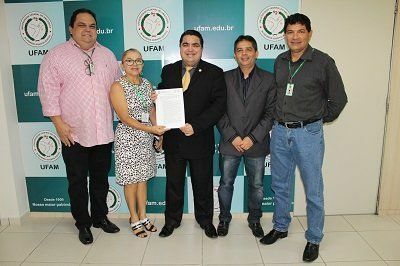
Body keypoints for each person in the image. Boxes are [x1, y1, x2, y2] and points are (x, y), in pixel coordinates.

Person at [259, 13, 348, 262]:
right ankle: (280, 226)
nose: (295, 37)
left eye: (300, 31)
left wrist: (317, 120)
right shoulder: (280, 60)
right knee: (279, 184)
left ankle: (314, 237)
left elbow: (338, 99)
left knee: (313, 189)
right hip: (279, 131)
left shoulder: (323, 62)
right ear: (285, 35)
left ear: (309, 32)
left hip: (307, 133)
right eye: (290, 32)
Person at [38, 8, 121, 245]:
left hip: (103, 131)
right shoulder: (56, 56)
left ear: (97, 29)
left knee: (100, 179)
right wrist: (58, 124)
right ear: (71, 29)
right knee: (77, 181)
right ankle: (83, 224)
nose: (88, 30)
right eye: (82, 25)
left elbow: (117, 90)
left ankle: (100, 218)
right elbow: (48, 91)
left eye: (92, 26)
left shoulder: (107, 55)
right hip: (72, 133)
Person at [157, 30, 227, 238]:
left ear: (201, 48)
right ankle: (171, 221)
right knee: (174, 184)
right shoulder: (168, 70)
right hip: (174, 141)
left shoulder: (215, 72)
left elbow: (219, 105)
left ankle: (206, 221)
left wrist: (196, 125)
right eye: (185, 44)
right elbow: (163, 96)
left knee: (203, 184)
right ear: (179, 47)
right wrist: (157, 97)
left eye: (195, 45)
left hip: (199, 138)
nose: (190, 49)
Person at [216, 35, 275, 238]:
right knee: (225, 184)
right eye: (240, 50)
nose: (244, 53)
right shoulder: (223, 78)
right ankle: (224, 219)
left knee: (257, 185)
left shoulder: (269, 79)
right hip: (229, 143)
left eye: (248, 49)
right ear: (234, 54)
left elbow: (270, 113)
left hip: (255, 144)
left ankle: (255, 219)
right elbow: (218, 111)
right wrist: (233, 137)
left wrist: (252, 137)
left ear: (256, 53)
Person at [110, 48, 168, 238]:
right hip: (127, 139)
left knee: (142, 180)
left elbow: (151, 112)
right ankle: (134, 218)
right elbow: (125, 118)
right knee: (131, 181)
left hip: (145, 139)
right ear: (122, 65)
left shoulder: (146, 84)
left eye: (138, 61)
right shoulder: (117, 86)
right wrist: (151, 130)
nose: (134, 64)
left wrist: (160, 134)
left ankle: (143, 216)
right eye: (129, 61)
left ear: (143, 64)